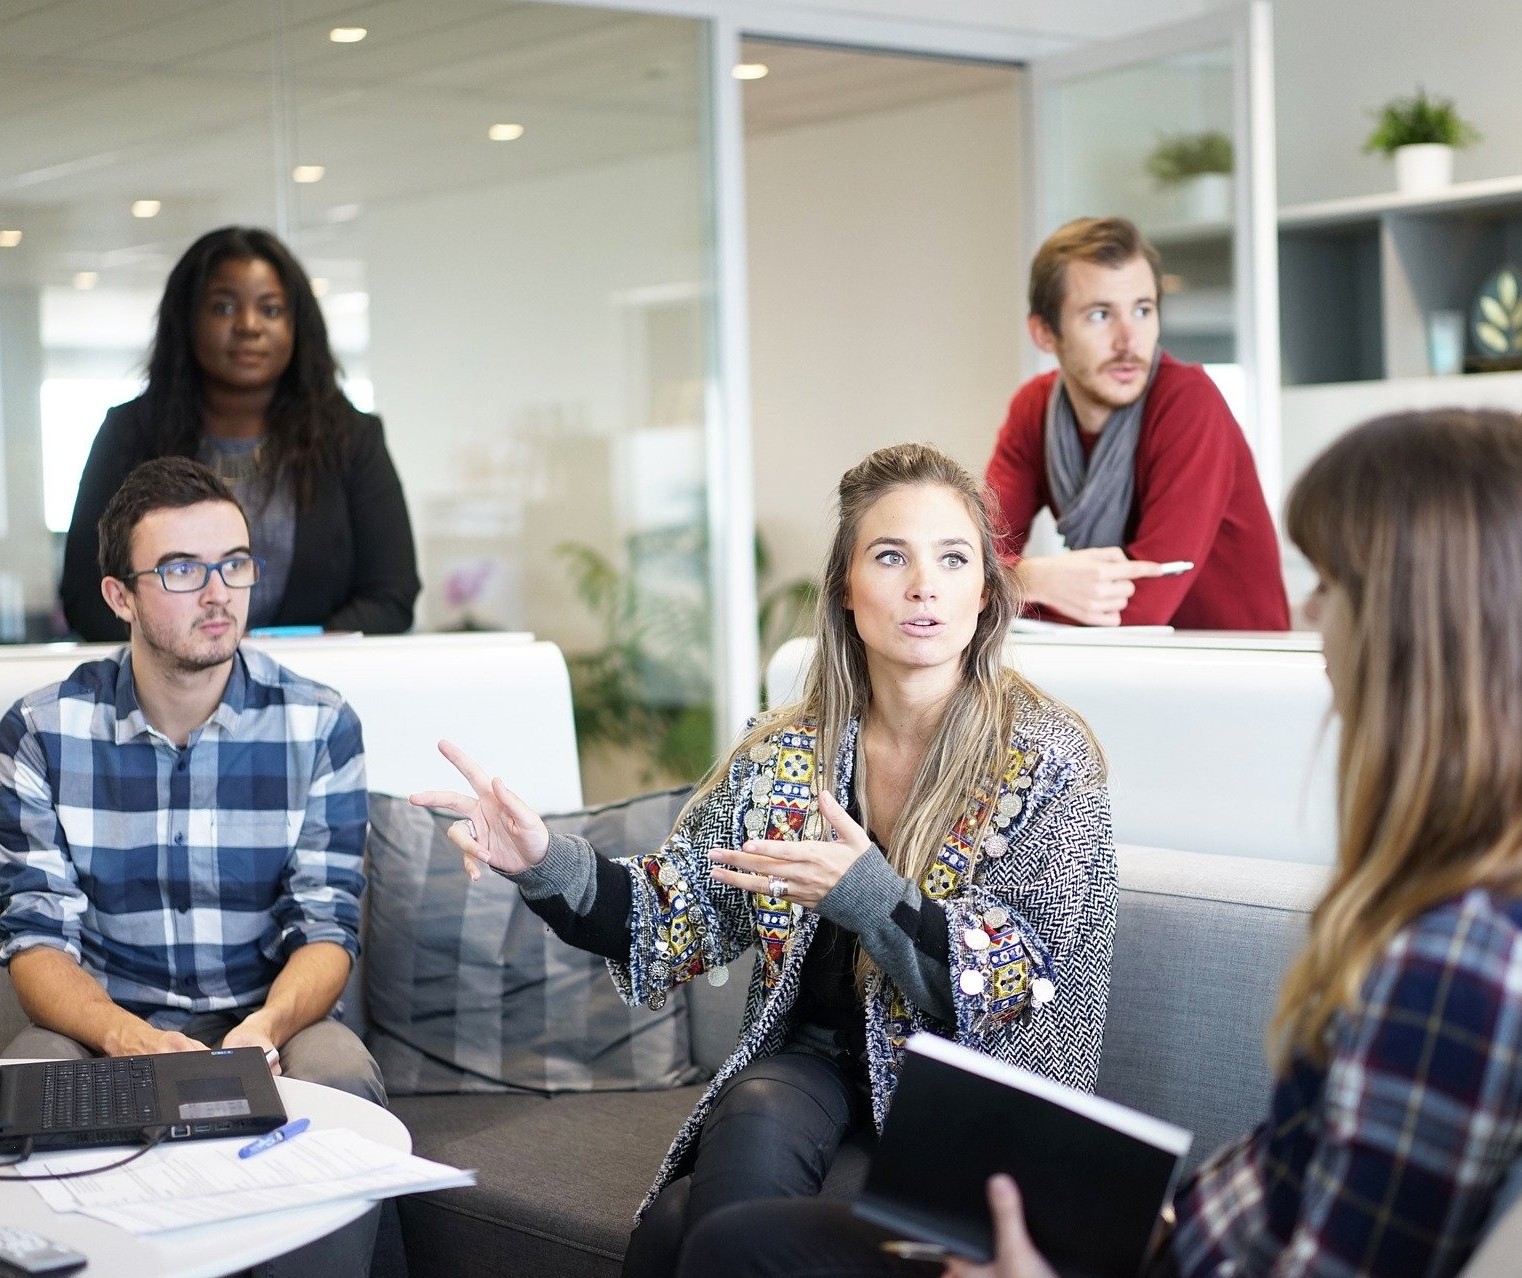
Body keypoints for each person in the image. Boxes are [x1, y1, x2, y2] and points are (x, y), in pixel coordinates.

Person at [680, 408, 1522, 1278]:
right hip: (1157, 1241)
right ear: (847, 592)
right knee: (717, 1231)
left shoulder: (1454, 964)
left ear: (1420, 629)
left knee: (739, 1248)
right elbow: (1292, 1185)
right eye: (890, 556)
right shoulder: (1440, 913)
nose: (1308, 613)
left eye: (1334, 584)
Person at [412, 442, 1118, 1278]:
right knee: (750, 1113)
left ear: (985, 595)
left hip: (972, 1097)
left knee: (682, 1226)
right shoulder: (786, 753)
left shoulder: (1046, 758)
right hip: (815, 1065)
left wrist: (867, 895)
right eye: (890, 556)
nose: (924, 583)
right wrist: (539, 860)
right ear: (847, 592)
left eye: (953, 558)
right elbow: (665, 913)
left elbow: (1023, 986)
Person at [1, 458, 385, 1275]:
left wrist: (265, 1032)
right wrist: (125, 1038)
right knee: (30, 1076)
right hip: (104, 1017)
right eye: (181, 569)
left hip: (268, 1015)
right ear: (120, 596)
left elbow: (328, 926)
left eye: (235, 564)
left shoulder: (319, 725)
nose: (220, 593)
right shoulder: (41, 731)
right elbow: (35, 941)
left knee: (343, 1077)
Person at [60, 225, 420, 641]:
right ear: (187, 319)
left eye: (271, 310)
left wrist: (287, 658)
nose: (249, 326)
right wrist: (195, 654)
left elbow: (391, 596)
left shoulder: (352, 439)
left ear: (297, 326)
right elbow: (87, 598)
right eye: (224, 308)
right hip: (166, 694)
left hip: (315, 688)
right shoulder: (129, 434)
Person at [986, 216, 1289, 630]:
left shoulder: (1188, 402)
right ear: (1044, 334)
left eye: (1143, 310)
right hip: (1122, 667)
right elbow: (969, 558)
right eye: (1099, 315)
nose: (1129, 340)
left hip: (1233, 670)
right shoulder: (1034, 409)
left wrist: (1005, 587)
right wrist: (1032, 578)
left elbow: (1141, 608)